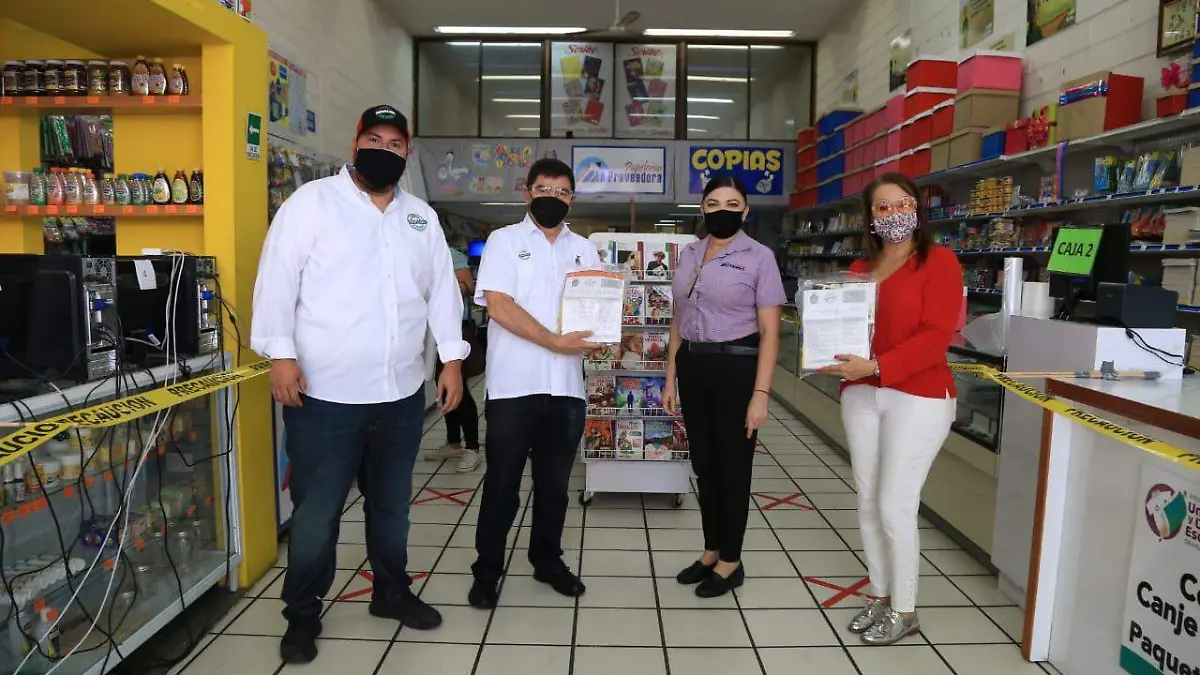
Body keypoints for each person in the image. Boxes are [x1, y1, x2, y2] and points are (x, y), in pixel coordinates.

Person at [251, 105, 469, 664]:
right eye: (375, 139)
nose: (384, 151)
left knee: (392, 507)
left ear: (407, 154)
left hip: (399, 395)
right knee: (317, 514)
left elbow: (442, 293)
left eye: (395, 145)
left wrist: (451, 360)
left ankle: (390, 593)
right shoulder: (312, 204)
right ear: (356, 143)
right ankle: (302, 614)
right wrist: (280, 355)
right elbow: (277, 280)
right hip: (325, 397)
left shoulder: (420, 218)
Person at [819, 172, 962, 645]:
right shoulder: (861, 268)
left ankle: (905, 609)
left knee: (894, 503)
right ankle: (880, 595)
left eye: (903, 204)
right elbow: (845, 329)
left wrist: (877, 366)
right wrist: (831, 357)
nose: (895, 214)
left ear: (917, 209)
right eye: (883, 207)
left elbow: (936, 337)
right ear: (870, 218)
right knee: (867, 501)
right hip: (861, 394)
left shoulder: (939, 262)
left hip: (918, 395)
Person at [467, 158, 601, 609]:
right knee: (501, 486)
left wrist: (599, 336)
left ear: (572, 199)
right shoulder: (504, 241)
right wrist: (555, 341)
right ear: (527, 192)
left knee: (554, 487)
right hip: (513, 387)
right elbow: (499, 306)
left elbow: (595, 312)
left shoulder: (585, 250)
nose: (552, 198)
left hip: (566, 390)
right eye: (544, 189)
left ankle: (547, 561)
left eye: (562, 192)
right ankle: (487, 570)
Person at [663, 175, 786, 598]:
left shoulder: (760, 257)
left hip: (737, 369)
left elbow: (771, 333)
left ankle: (732, 560)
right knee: (704, 465)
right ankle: (711, 550)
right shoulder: (689, 253)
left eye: (732, 204)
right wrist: (670, 377)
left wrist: (761, 395)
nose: (722, 211)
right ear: (702, 208)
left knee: (732, 467)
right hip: (693, 365)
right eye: (714, 203)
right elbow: (678, 318)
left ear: (745, 211)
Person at [426, 245, 483, 471]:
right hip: (430, 332)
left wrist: (442, 287)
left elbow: (469, 287)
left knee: (460, 389)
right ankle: (453, 442)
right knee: (442, 388)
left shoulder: (453, 255)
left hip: (456, 329)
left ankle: (472, 447)